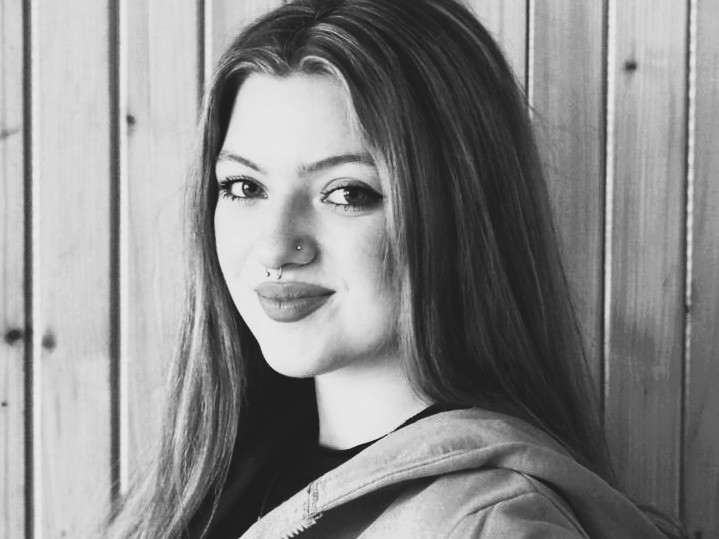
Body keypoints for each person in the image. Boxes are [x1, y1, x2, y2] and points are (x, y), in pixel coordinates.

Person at [104, 0, 682, 537]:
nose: (275, 247)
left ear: (456, 212)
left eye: (347, 193)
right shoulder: (206, 481)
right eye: (243, 186)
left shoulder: (491, 526)